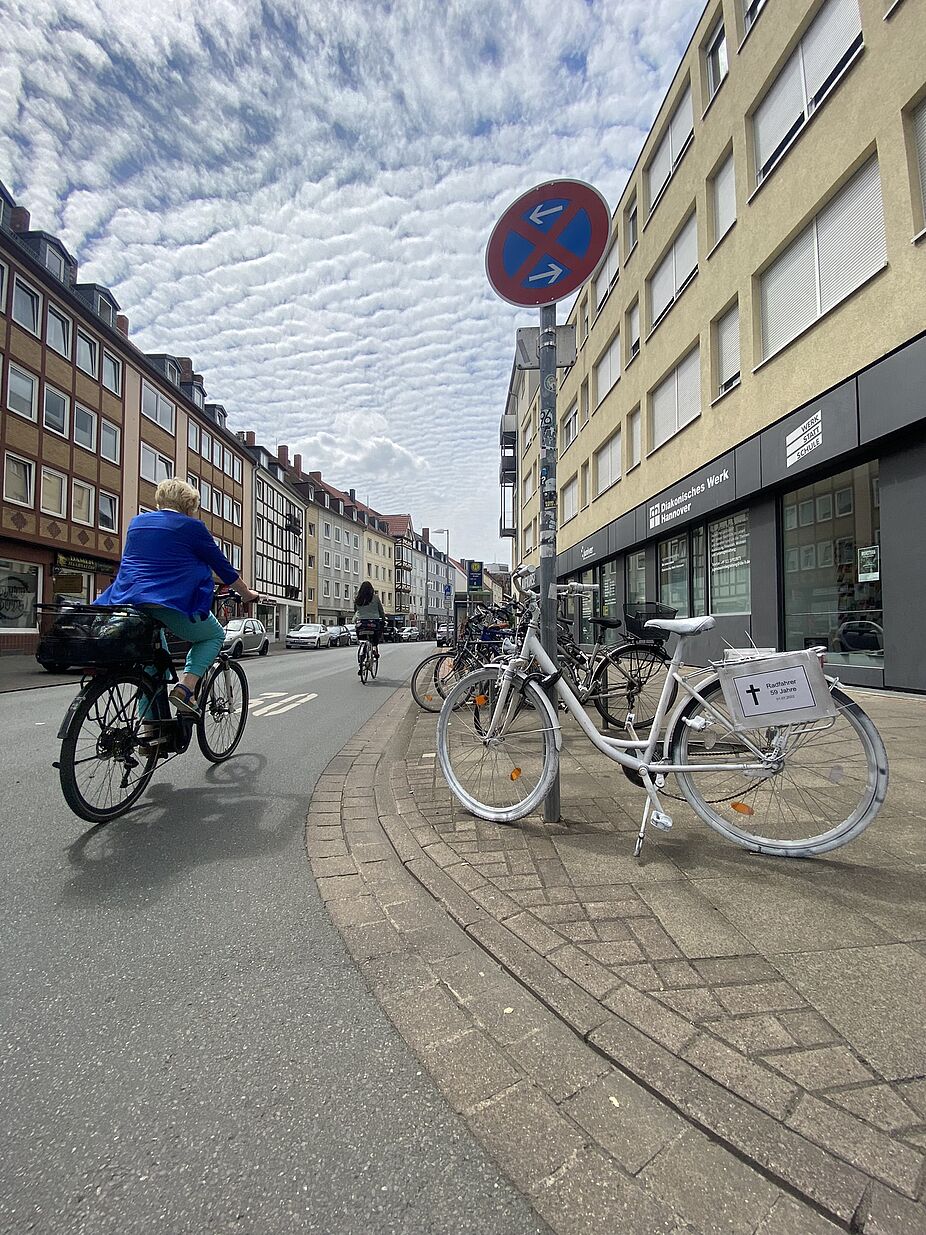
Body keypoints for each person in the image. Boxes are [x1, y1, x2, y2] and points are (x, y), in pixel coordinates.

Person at [95, 478, 259, 718]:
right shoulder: (192, 527)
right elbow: (223, 568)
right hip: (169, 601)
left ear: (160, 499)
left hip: (127, 600)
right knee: (213, 635)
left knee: (152, 664)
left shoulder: (137, 523)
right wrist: (247, 594)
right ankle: (186, 688)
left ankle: (151, 731)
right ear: (190, 505)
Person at [353, 581, 386, 674]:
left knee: (362, 640)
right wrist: (383, 619)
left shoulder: (358, 598)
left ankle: (361, 661)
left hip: (361, 623)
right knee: (375, 638)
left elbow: (355, 611)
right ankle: (374, 649)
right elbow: (381, 610)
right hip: (373, 622)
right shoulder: (375, 598)